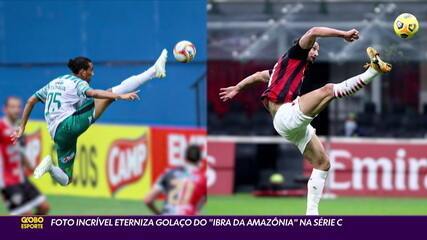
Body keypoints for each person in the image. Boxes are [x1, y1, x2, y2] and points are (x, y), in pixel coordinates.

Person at [219, 27, 391, 215]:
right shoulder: (296, 54)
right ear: (304, 47)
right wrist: (344, 35)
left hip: (286, 125)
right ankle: (373, 71)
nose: (316, 53)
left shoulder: (282, 68)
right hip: (285, 114)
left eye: (318, 50)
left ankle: (311, 215)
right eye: (314, 49)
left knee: (323, 164)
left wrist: (238, 87)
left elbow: (259, 75)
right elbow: (314, 30)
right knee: (328, 90)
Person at [11, 49, 168, 187]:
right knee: (109, 95)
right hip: (68, 125)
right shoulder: (78, 83)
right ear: (81, 72)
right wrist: (120, 96)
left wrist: (22, 127)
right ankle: (154, 71)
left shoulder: (55, 81)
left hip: (57, 134)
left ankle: (50, 168)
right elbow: (93, 94)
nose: (93, 73)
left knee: (66, 179)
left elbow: (31, 100)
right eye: (90, 70)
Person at [1, 96, 50, 215]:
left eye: (18, 107)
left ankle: (31, 231)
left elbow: (20, 151)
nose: (16, 110)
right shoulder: (1, 127)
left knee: (44, 207)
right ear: (5, 109)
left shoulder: (18, 128)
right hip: (6, 181)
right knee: (27, 216)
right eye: (12, 107)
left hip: (21, 178)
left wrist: (32, 167)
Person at [144, 145, 206, 215]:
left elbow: (148, 199)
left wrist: (158, 214)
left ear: (185, 157)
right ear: (200, 159)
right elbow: (198, 207)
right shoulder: (203, 179)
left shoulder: (168, 173)